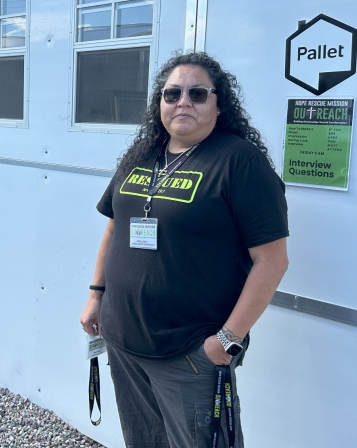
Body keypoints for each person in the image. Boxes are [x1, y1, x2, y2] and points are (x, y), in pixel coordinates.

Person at [79, 52, 289, 448]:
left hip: (190, 352)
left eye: (197, 93)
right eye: (172, 93)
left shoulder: (239, 162)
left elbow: (272, 261)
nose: (183, 102)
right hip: (123, 338)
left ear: (218, 103)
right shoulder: (143, 155)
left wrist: (225, 341)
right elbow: (114, 229)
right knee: (144, 440)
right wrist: (96, 296)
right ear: (160, 102)